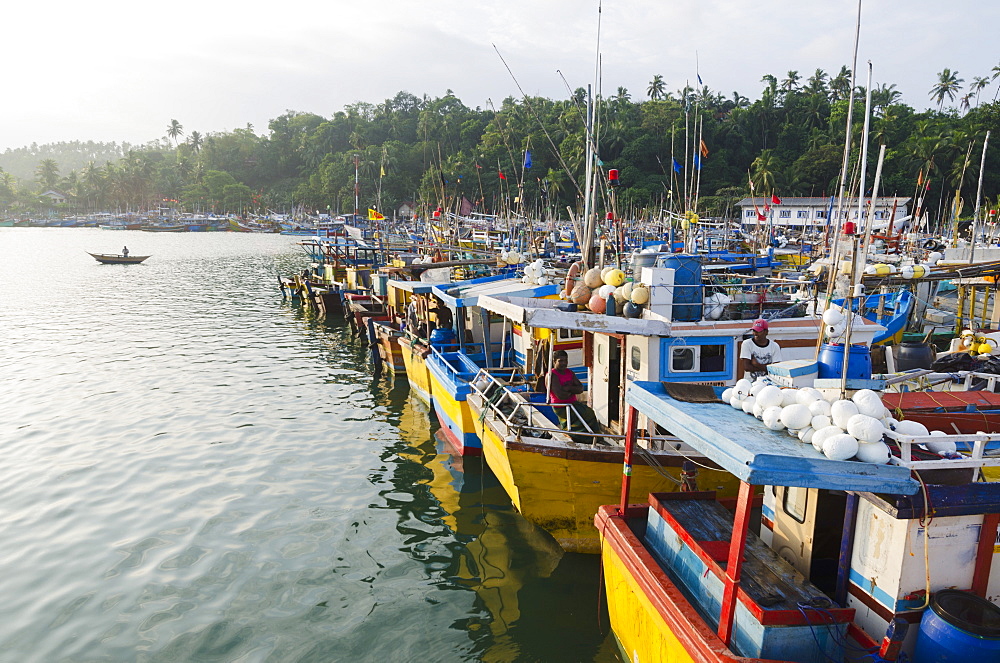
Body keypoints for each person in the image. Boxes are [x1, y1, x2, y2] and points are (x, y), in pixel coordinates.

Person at [548, 349, 600, 440]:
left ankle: (593, 437)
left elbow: (580, 388)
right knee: (587, 414)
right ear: (554, 361)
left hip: (573, 403)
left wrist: (567, 388)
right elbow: (561, 395)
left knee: (589, 413)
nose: (564, 363)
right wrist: (572, 389)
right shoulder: (552, 375)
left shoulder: (569, 372)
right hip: (561, 406)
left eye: (566, 360)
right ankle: (580, 437)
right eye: (561, 361)